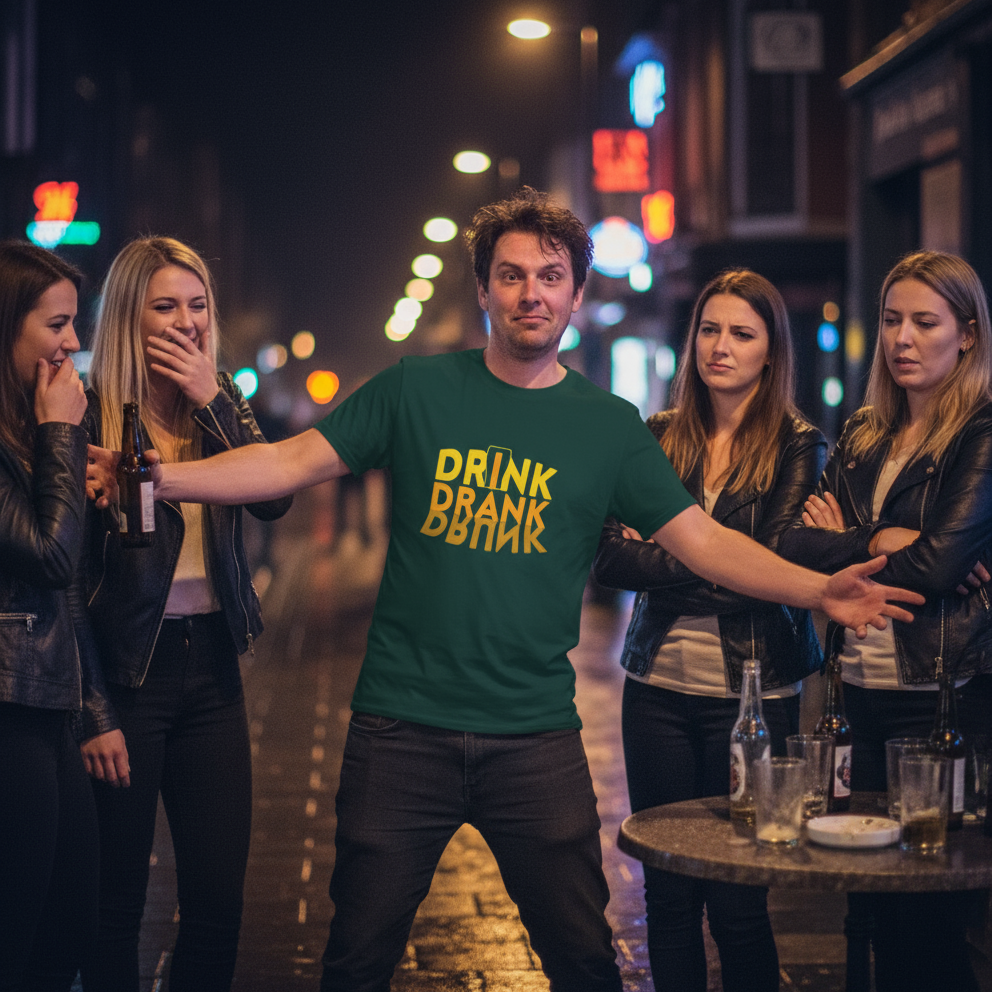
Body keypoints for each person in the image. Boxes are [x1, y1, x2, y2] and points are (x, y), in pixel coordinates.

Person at [96, 190, 922, 991]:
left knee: (586, 963)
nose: (533, 292)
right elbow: (285, 463)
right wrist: (160, 479)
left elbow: (705, 542)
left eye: (551, 275)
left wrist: (818, 591)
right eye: (514, 274)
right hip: (400, 734)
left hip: (535, 740)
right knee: (354, 962)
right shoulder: (414, 390)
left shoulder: (607, 426)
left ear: (575, 294)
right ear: (484, 288)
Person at [594, 270, 825, 992]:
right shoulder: (655, 435)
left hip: (756, 695)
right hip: (656, 689)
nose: (720, 347)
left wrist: (661, 554)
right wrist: (728, 559)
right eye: (710, 330)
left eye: (741, 334)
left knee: (739, 898)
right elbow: (606, 556)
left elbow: (779, 556)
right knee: (667, 893)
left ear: (770, 351)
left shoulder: (799, 445)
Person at [73, 237, 292, 992]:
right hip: (126, 675)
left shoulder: (216, 411)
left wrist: (214, 395)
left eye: (198, 306)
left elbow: (273, 495)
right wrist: (94, 709)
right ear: (129, 317)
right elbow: (64, 586)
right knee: (114, 905)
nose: (187, 322)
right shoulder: (85, 418)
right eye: (165, 306)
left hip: (211, 670)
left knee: (217, 902)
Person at [779, 250, 992, 992]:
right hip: (856, 697)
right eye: (893, 320)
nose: (902, 339)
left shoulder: (981, 431)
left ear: (966, 334)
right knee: (863, 904)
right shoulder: (867, 432)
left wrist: (856, 536)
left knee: (932, 922)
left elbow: (938, 569)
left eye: (924, 323)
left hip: (940, 698)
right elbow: (792, 541)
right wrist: (875, 537)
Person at [0, 242, 99, 990]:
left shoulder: (25, 435)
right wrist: (60, 433)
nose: (71, 343)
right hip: (8, 709)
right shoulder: (35, 432)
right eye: (57, 324)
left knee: (67, 929)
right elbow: (51, 557)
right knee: (21, 931)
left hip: (49, 704)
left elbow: (69, 591)